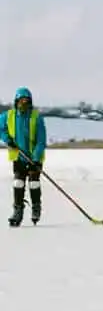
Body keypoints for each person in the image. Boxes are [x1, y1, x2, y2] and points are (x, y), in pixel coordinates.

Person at [2, 87, 48, 227]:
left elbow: (41, 141)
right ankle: (18, 210)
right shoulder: (8, 116)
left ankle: (36, 208)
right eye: (21, 101)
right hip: (19, 157)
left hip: (35, 158)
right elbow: (0, 128)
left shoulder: (36, 117)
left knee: (34, 183)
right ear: (16, 102)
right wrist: (7, 139)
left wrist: (35, 159)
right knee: (18, 183)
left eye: (26, 101)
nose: (23, 104)